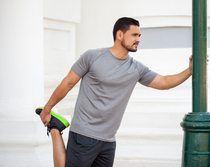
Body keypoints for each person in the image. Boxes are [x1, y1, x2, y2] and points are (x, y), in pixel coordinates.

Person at [37, 17, 193, 167]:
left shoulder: (136, 68)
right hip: (85, 133)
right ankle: (55, 128)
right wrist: (48, 108)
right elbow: (68, 83)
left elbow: (164, 82)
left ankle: (56, 126)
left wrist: (189, 71)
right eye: (134, 35)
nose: (138, 39)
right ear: (120, 35)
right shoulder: (92, 57)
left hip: (108, 141)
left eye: (139, 35)